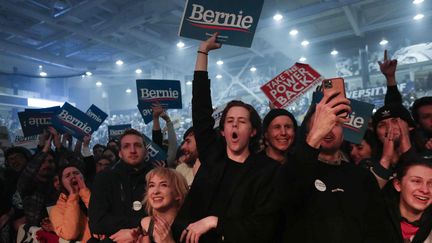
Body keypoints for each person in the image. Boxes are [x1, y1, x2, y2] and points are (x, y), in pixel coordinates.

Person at [172, 33, 279, 243]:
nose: (235, 125)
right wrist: (203, 52)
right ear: (222, 130)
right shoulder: (213, 155)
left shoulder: (266, 170)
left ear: (253, 130)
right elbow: (201, 106)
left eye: (242, 121)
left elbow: (264, 225)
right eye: (229, 120)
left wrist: (215, 222)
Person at [277, 91, 389, 242]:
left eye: (335, 124)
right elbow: (288, 196)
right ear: (308, 135)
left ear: (344, 132)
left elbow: (378, 227)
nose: (328, 129)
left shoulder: (361, 176)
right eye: (321, 124)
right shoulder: (292, 171)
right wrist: (315, 137)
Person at [89, 128, 153, 242]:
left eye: (137, 145)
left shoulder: (158, 177)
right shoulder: (104, 178)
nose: (132, 150)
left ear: (146, 151)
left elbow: (167, 216)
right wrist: (140, 222)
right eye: (126, 146)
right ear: (120, 153)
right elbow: (97, 222)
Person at [382, 159, 432, 242]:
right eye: (416, 181)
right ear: (398, 185)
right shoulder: (374, 219)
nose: (425, 190)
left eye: (431, 183)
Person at [138, 167, 188, 243]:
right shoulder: (144, 225)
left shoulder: (190, 228)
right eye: (152, 185)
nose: (155, 191)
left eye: (163, 185)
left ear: (178, 193)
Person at [49, 164, 91, 242]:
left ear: (83, 177)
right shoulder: (57, 210)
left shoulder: (97, 195)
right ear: (62, 183)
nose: (73, 176)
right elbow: (70, 234)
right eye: (67, 175)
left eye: (76, 173)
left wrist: (85, 192)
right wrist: (73, 195)